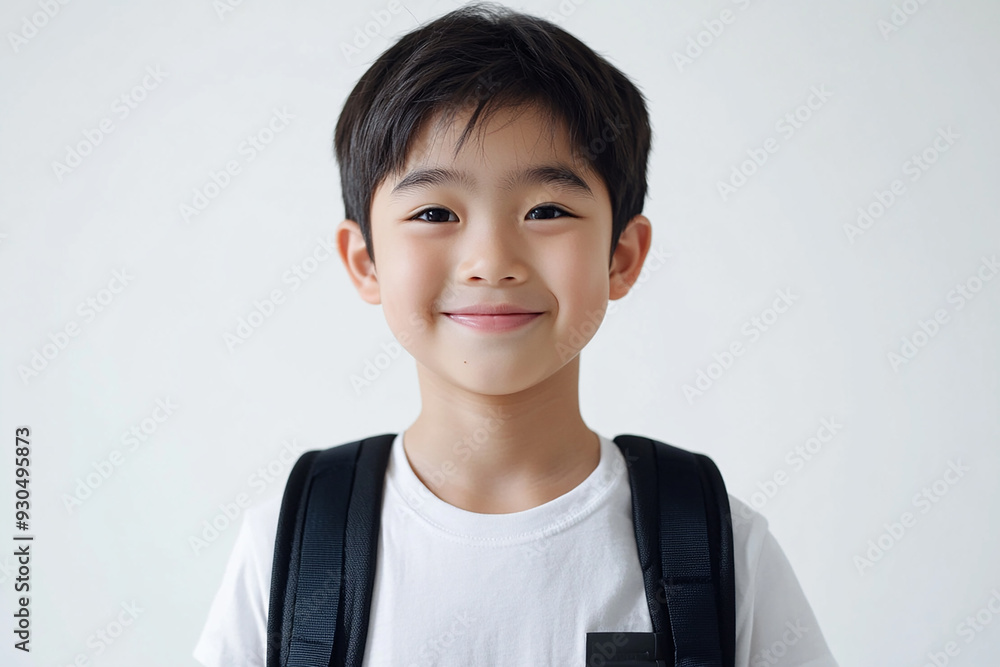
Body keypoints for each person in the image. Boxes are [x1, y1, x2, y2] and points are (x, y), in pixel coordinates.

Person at [193, 3, 838, 665]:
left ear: (621, 255)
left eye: (547, 209)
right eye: (436, 211)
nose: (491, 259)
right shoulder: (291, 548)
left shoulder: (716, 546)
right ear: (366, 262)